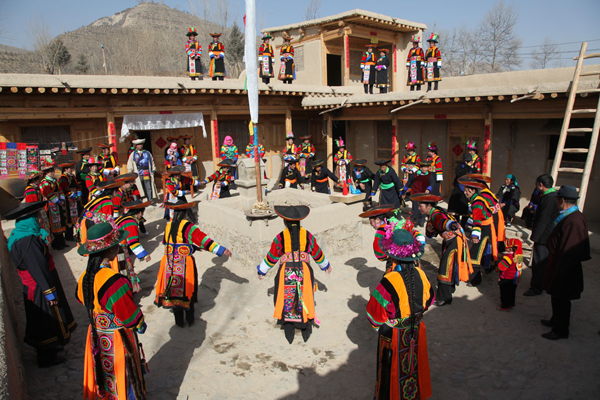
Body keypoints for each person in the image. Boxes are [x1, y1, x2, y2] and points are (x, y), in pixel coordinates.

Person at [76, 222, 148, 398]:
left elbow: (80, 298)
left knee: (104, 373)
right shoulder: (114, 281)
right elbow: (128, 315)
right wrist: (140, 324)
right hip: (117, 337)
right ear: (111, 250)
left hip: (96, 334)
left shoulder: (85, 276)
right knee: (124, 375)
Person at [5, 201, 77, 368]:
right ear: (30, 220)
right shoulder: (28, 242)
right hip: (39, 286)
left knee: (43, 318)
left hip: (37, 284)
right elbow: (38, 268)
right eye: (37, 218)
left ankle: (52, 346)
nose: (40, 220)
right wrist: (49, 292)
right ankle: (46, 356)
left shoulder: (20, 235)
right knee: (45, 318)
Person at [366, 227, 433, 400]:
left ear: (392, 255)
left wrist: (378, 325)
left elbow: (375, 314)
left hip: (393, 334)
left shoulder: (389, 280)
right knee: (415, 364)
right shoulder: (421, 275)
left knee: (390, 369)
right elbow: (429, 300)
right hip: (416, 330)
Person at [257, 205, 332, 344]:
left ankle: (289, 329)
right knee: (305, 296)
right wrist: (325, 265)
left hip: (286, 270)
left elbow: (272, 255)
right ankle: (305, 328)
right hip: (304, 270)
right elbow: (316, 252)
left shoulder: (280, 237)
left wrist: (262, 270)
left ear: (284, 222)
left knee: (287, 297)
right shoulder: (307, 235)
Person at [155, 200, 232, 327]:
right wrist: (221, 249)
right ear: (185, 213)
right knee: (187, 288)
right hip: (184, 262)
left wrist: (191, 247)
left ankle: (179, 321)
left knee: (173, 287)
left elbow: (167, 242)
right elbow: (203, 240)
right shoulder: (188, 226)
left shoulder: (168, 225)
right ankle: (190, 319)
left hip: (169, 262)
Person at [541, 186, 590, 340]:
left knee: (562, 298)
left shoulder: (574, 220)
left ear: (561, 200)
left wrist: (561, 269)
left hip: (565, 267)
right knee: (556, 296)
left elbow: (571, 249)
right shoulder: (570, 216)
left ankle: (560, 330)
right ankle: (555, 320)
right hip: (559, 262)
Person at [414, 194, 472, 306]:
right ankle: (450, 289)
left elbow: (443, 222)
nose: (419, 208)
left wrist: (451, 225)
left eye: (421, 206)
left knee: (445, 268)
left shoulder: (436, 215)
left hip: (454, 241)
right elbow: (431, 234)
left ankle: (445, 297)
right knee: (450, 265)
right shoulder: (432, 215)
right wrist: (429, 230)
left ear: (429, 206)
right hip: (449, 241)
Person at [523, 174, 560, 297]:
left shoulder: (549, 198)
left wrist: (535, 237)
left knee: (539, 262)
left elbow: (543, 220)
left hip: (544, 236)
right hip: (548, 235)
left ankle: (536, 287)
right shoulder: (551, 196)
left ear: (541, 185)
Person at [360, 204, 425, 274]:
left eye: (371, 221)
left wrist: (390, 254)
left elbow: (380, 255)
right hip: (413, 260)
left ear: (378, 220)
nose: (371, 224)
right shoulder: (397, 224)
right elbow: (417, 235)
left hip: (396, 263)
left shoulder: (380, 232)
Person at [458, 176, 497, 286]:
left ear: (473, 190)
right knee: (477, 252)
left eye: (467, 190)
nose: (465, 192)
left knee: (475, 254)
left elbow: (477, 218)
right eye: (465, 190)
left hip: (484, 229)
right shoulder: (475, 199)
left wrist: (475, 235)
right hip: (483, 227)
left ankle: (475, 279)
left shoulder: (477, 202)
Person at [116, 200, 153, 292]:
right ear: (139, 213)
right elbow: (133, 242)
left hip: (115, 247)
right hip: (119, 249)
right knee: (123, 269)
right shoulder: (130, 222)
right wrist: (145, 255)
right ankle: (126, 289)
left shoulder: (122, 218)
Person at [76, 180, 123, 246]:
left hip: (83, 221)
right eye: (117, 191)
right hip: (89, 224)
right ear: (114, 192)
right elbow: (107, 220)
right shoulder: (107, 202)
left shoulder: (100, 198)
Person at [40, 159, 67, 251]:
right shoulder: (44, 183)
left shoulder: (55, 180)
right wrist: (58, 201)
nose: (52, 172)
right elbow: (48, 194)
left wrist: (62, 199)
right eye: (50, 171)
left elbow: (60, 190)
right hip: (51, 205)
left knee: (60, 222)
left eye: (53, 170)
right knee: (53, 224)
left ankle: (62, 241)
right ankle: (56, 243)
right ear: (46, 172)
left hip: (57, 204)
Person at [24, 168, 53, 244]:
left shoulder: (35, 188)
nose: (40, 180)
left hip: (40, 211)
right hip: (37, 213)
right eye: (39, 178)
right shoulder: (30, 190)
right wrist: (38, 215)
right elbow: (32, 205)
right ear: (34, 180)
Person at [447, 153, 476, 226]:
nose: (468, 162)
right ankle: (455, 224)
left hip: (468, 191)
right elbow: (459, 175)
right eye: (466, 161)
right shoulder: (459, 167)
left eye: (469, 161)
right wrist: (467, 167)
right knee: (455, 210)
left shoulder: (473, 169)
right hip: (458, 190)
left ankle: (463, 225)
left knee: (465, 210)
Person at [405, 161, 435, 227]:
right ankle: (415, 220)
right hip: (415, 193)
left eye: (427, 167)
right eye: (424, 167)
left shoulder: (430, 175)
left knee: (423, 207)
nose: (426, 169)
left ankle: (421, 220)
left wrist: (429, 189)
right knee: (416, 207)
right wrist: (405, 189)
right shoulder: (416, 174)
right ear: (421, 168)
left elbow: (432, 183)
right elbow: (410, 181)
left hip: (424, 194)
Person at [496, 238, 523, 311]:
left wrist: (496, 268)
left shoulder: (508, 257)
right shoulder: (518, 256)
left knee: (505, 293)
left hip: (506, 277)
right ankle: (511, 304)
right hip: (514, 278)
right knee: (512, 292)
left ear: (510, 249)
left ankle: (505, 306)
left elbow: (501, 267)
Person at [57, 162, 79, 242]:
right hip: (67, 200)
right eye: (70, 168)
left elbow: (77, 185)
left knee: (74, 217)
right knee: (68, 217)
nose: (72, 169)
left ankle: (73, 234)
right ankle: (68, 236)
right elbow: (65, 189)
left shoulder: (72, 176)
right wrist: (73, 195)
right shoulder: (63, 178)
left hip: (74, 200)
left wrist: (79, 193)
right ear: (65, 169)